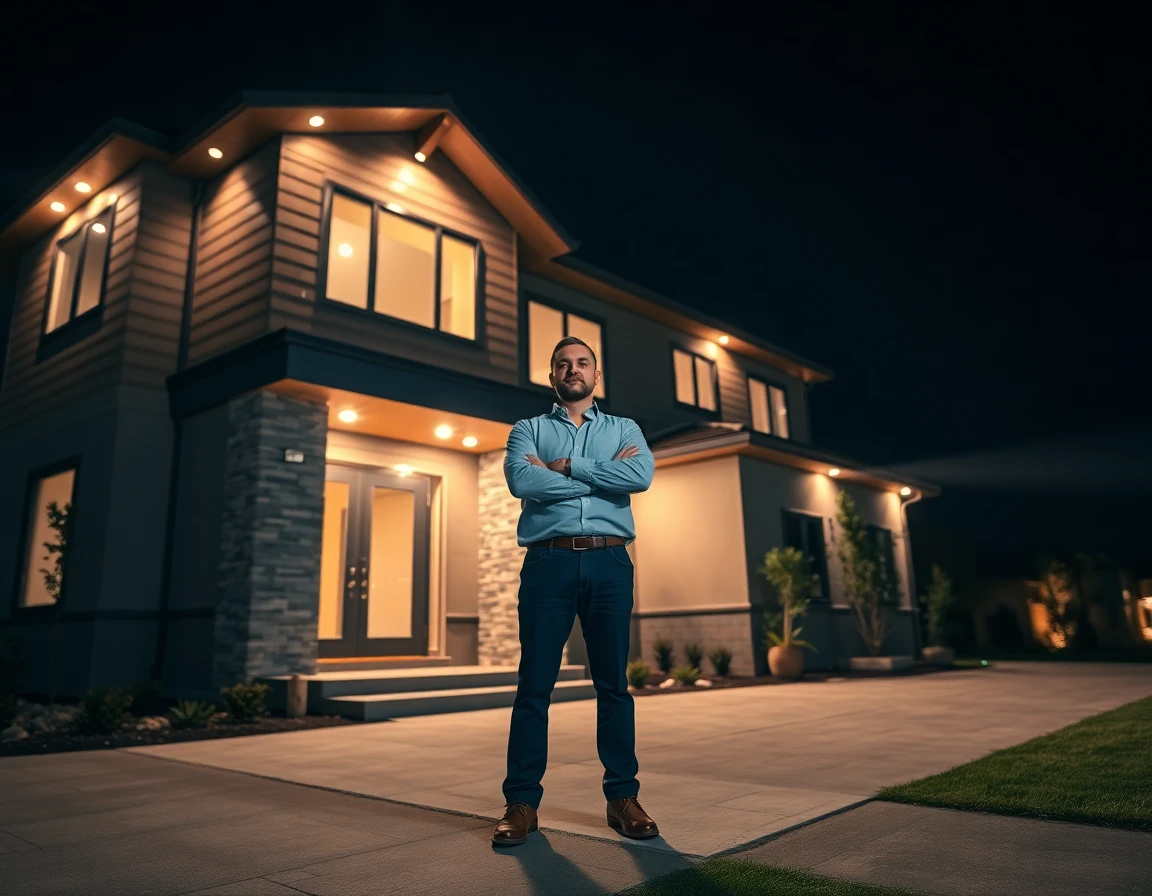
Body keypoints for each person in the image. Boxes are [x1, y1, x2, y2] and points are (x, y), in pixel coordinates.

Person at [491, 335, 659, 847]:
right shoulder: (528, 429)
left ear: (596, 374)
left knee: (613, 685)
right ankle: (521, 804)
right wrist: (603, 479)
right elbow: (523, 483)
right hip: (548, 562)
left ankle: (622, 799)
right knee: (534, 687)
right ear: (551, 376)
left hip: (610, 561)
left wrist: (565, 467)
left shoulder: (625, 428)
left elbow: (642, 474)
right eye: (563, 364)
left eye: (582, 362)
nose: (573, 370)